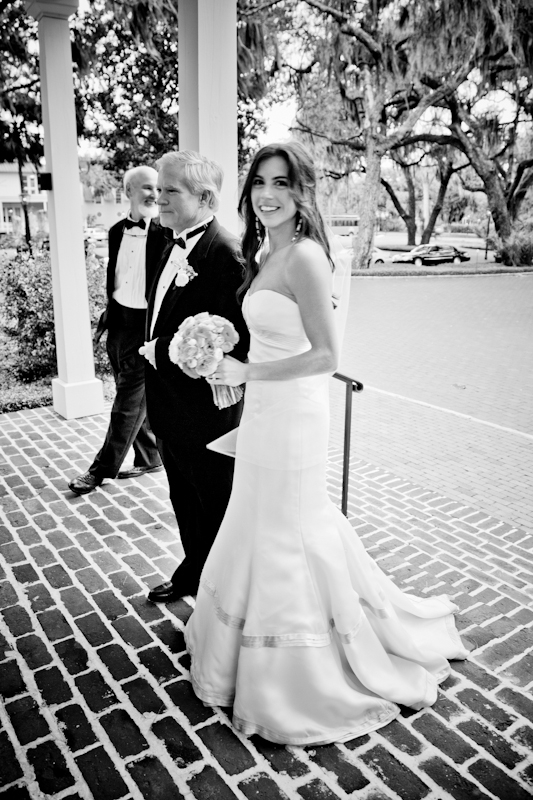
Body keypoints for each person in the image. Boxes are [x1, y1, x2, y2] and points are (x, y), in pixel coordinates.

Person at [184, 142, 469, 746]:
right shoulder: (266, 253)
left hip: (295, 414)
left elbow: (325, 356)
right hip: (266, 408)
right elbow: (274, 339)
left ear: (302, 191)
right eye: (260, 182)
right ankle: (238, 652)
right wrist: (227, 365)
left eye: (281, 183)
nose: (268, 194)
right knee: (258, 519)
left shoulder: (307, 257)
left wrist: (247, 372)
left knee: (289, 530)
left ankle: (294, 674)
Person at [140, 150, 250, 603]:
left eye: (170, 190)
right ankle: (193, 571)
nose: (159, 198)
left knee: (214, 505)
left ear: (205, 198)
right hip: (167, 405)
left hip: (205, 414)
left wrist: (167, 351)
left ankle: (221, 594)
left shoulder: (227, 254)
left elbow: (238, 340)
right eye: (158, 189)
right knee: (183, 499)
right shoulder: (167, 242)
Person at [68, 166, 166, 496]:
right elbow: (117, 275)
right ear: (128, 192)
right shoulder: (114, 231)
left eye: (158, 188)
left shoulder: (165, 232)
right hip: (118, 324)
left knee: (126, 404)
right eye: (147, 188)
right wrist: (108, 316)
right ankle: (150, 456)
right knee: (132, 397)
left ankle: (99, 472)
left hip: (146, 328)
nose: (154, 194)